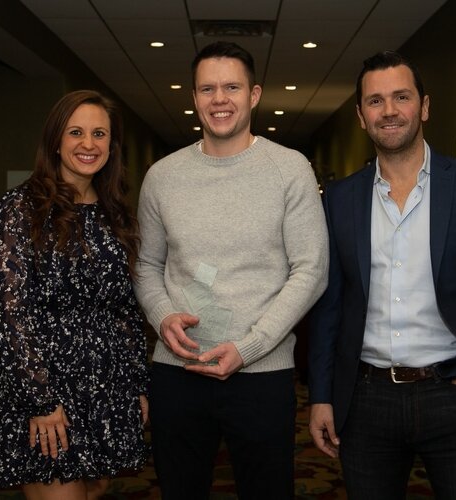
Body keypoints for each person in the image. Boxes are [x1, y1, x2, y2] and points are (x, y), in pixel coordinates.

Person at [308, 51, 456, 499]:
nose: (390, 110)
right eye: (375, 101)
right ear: (361, 116)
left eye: (402, 97)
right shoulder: (339, 199)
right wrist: (321, 394)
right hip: (366, 400)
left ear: (425, 106)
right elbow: (330, 304)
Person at [134, 41, 328, 499]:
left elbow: (311, 270)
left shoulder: (289, 168)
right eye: (207, 88)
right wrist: (162, 317)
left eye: (232, 87)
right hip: (177, 373)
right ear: (195, 97)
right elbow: (146, 265)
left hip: (262, 375)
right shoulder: (162, 176)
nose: (219, 99)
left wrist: (250, 347)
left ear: (254, 94)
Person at [0, 90, 149, 499]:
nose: (89, 144)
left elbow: (123, 307)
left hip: (107, 386)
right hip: (47, 389)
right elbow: (10, 313)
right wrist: (41, 400)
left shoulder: (114, 212)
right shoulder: (19, 208)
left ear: (111, 145)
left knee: (93, 489)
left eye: (99, 133)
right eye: (76, 132)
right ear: (55, 140)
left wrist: (137, 383)